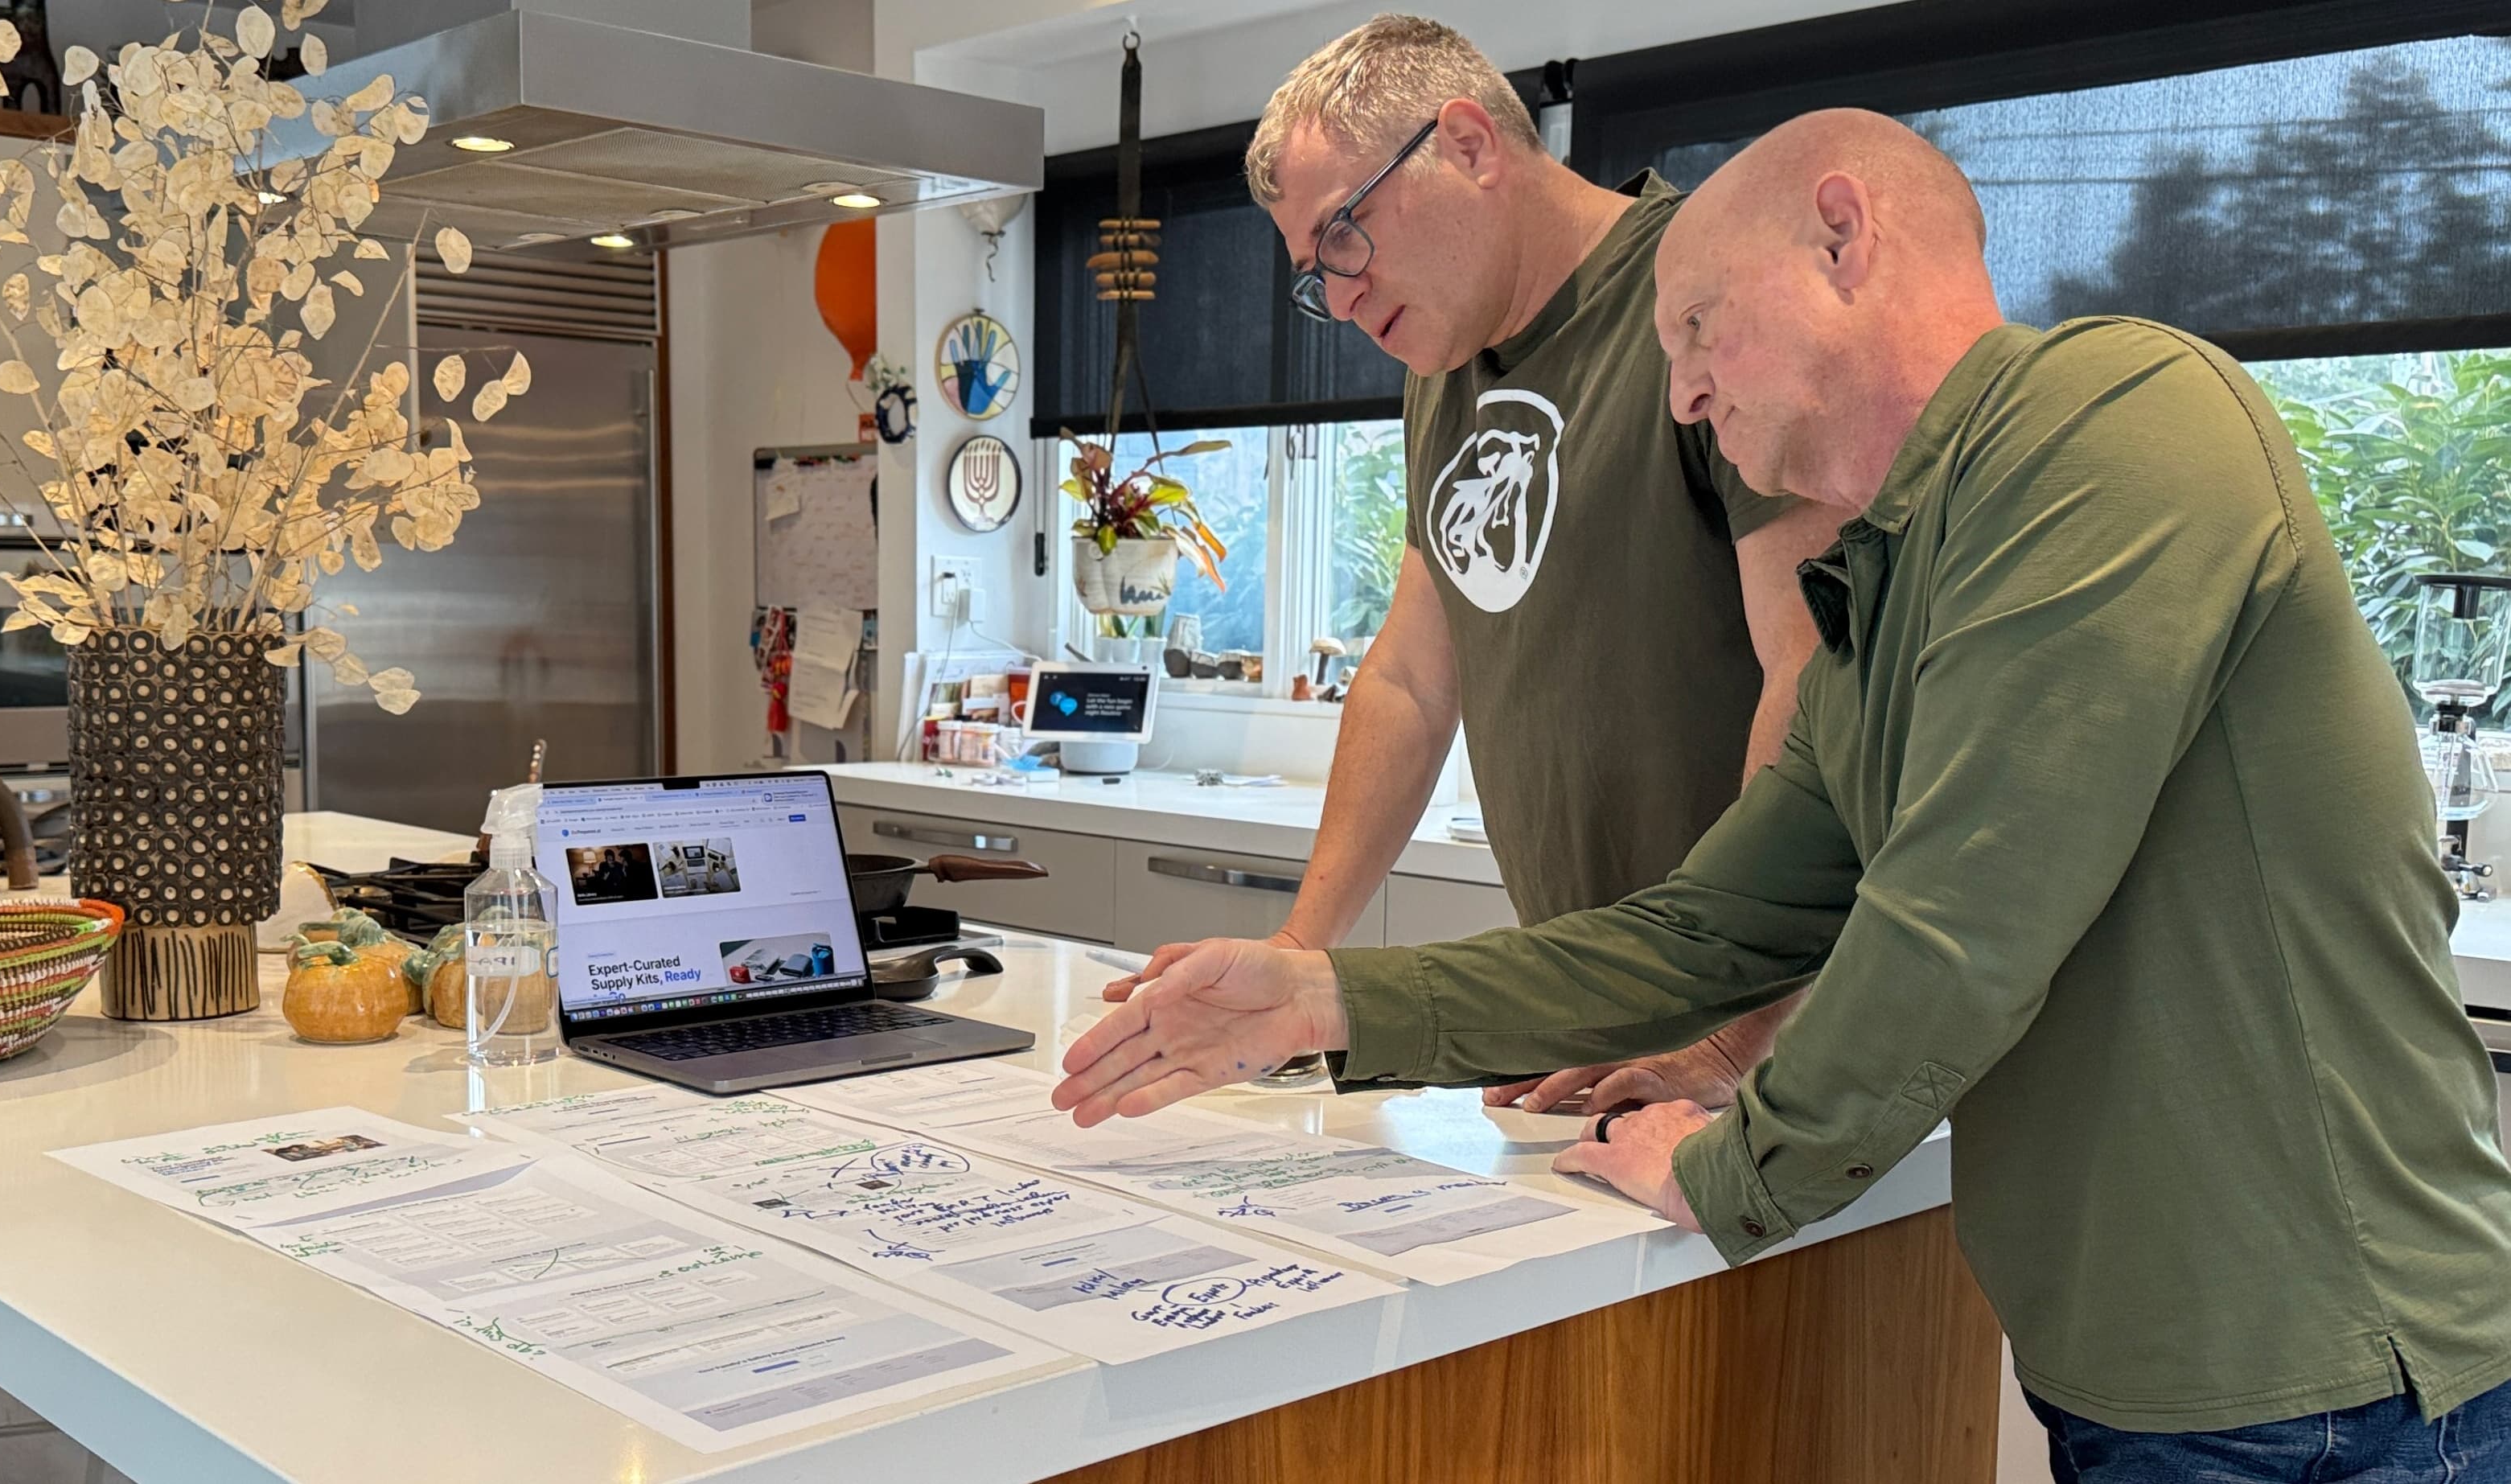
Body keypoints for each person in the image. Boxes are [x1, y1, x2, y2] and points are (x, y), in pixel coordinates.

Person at [1058, 107, 2511, 1478]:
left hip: (2338, 1380)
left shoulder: (2118, 417)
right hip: (2137, 1371)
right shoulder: (1886, 607)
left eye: (1697, 327)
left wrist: (1735, 1160)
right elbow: (1693, 933)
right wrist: (1327, 1000)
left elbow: (1968, 911)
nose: (1684, 392)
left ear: (1842, 236)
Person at [1233, 14, 1838, 1110]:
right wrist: (1291, 963)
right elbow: (1414, 680)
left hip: (1775, 1035)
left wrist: (1728, 1037)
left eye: (1345, 237)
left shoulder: (1700, 295)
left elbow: (1815, 676)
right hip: (1607, 1018)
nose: (1344, 296)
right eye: (1317, 275)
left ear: (1466, 143)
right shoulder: (1447, 362)